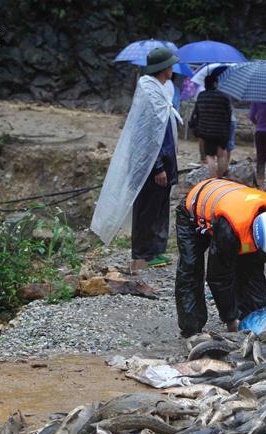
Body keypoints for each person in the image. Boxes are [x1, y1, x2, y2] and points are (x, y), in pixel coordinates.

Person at [91, 47, 180, 272]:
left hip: (164, 158)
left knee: (160, 205)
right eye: (169, 65)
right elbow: (148, 134)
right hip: (151, 163)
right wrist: (158, 166)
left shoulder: (159, 89)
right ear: (162, 69)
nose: (172, 68)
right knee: (146, 208)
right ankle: (141, 254)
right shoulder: (150, 92)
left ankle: (156, 250)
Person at [175, 179, 266, 337]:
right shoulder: (230, 230)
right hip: (193, 213)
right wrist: (230, 318)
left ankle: (251, 321)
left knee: (251, 269)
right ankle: (191, 327)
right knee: (191, 268)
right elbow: (219, 277)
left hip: (232, 207)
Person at [194, 70, 232, 180]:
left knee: (210, 156)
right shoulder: (224, 97)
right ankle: (220, 179)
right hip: (222, 132)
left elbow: (197, 113)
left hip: (206, 131)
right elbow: (229, 115)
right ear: (215, 83)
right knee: (221, 155)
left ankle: (212, 181)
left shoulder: (201, 96)